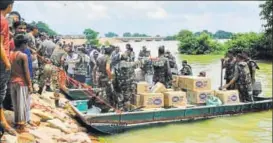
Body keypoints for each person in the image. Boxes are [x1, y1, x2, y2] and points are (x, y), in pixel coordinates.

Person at [0, 0, 17, 136]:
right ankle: (3, 123)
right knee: (1, 92)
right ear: (9, 6)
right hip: (1, 61)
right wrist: (7, 62)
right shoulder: (3, 20)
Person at [10, 33, 33, 133]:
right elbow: (26, 72)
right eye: (26, 44)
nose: (27, 46)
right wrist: (30, 85)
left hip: (12, 82)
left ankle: (16, 122)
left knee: (15, 103)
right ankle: (22, 126)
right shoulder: (23, 56)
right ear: (23, 44)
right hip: (21, 83)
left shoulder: (10, 54)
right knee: (22, 104)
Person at [93, 48, 113, 112]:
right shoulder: (108, 58)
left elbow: (94, 69)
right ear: (111, 53)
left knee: (100, 90)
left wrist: (94, 78)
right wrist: (111, 77)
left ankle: (98, 105)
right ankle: (106, 108)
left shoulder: (99, 58)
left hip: (99, 76)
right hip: (105, 77)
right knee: (107, 92)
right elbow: (107, 69)